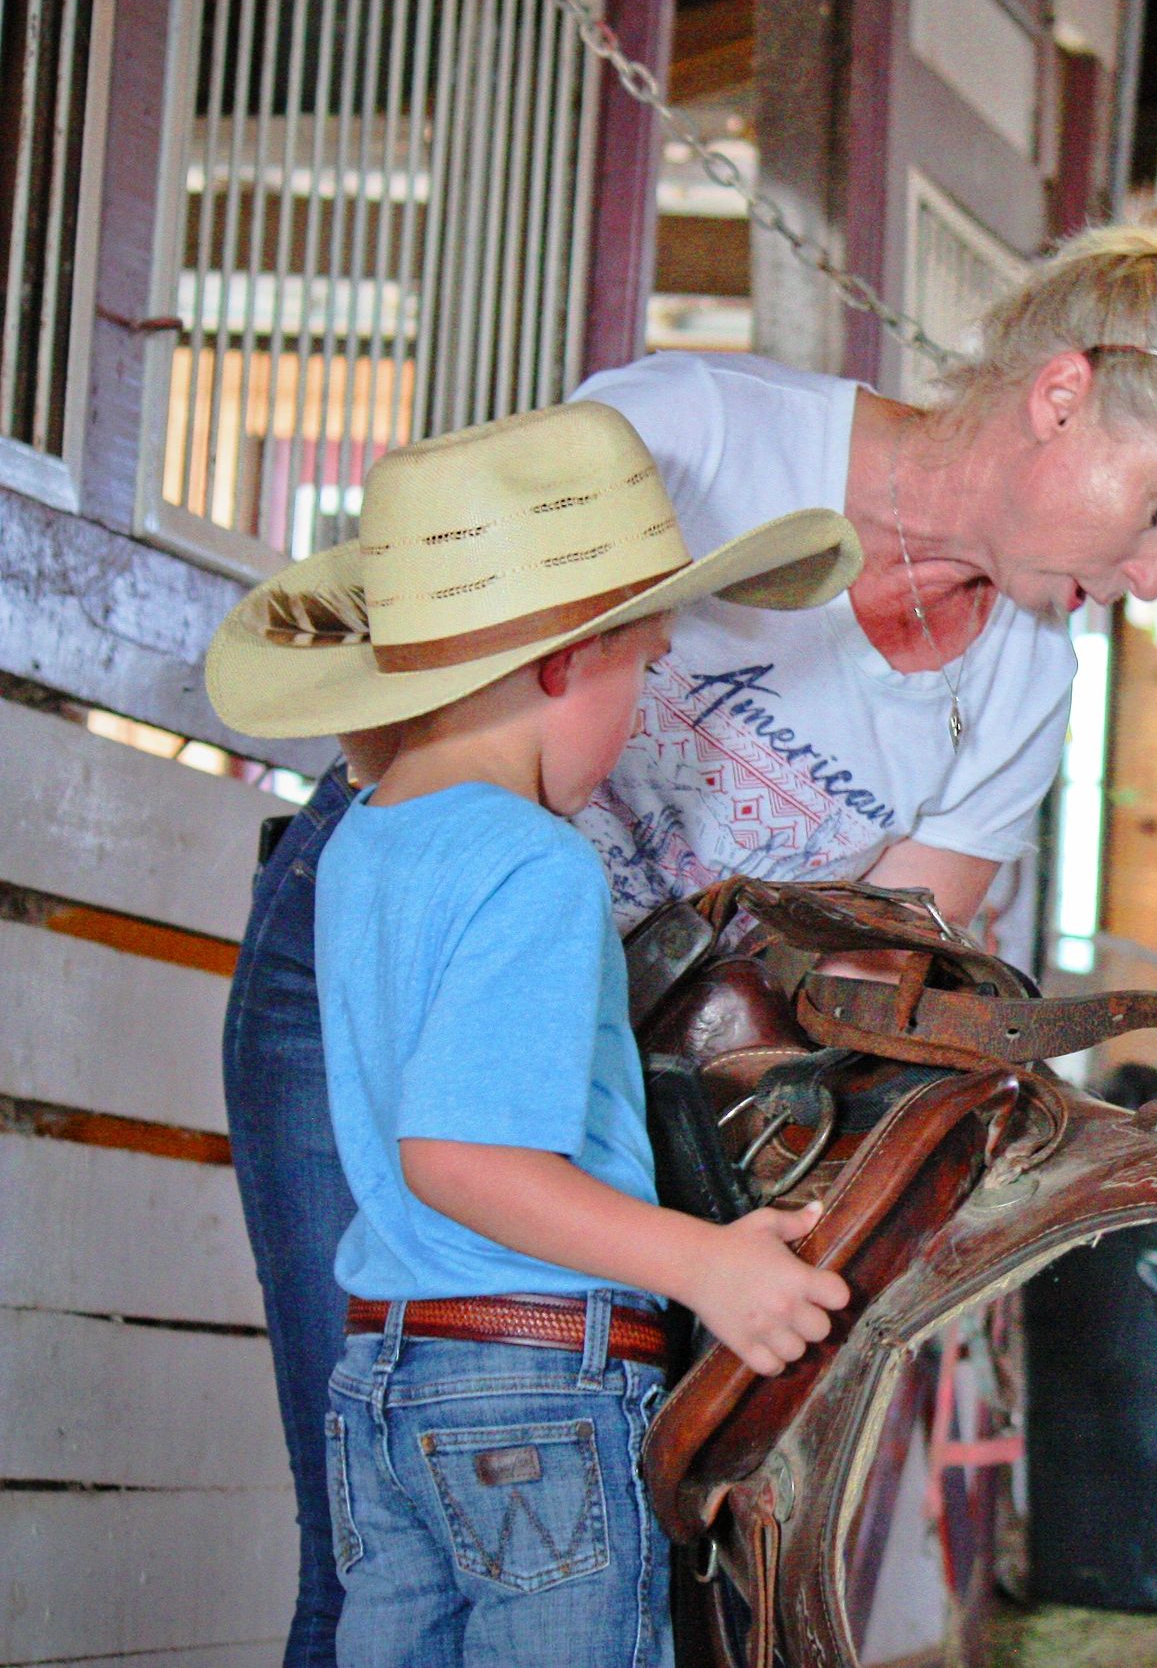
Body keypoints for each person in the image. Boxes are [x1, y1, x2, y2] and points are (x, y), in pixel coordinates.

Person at [220, 206, 1157, 1660]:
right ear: (1062, 399)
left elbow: (867, 984)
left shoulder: (1025, 686)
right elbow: (444, 632)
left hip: (629, 1069)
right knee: (378, 1536)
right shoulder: (704, 435)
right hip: (404, 975)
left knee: (574, 1531)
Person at [205, 401, 861, 1660]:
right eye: (646, 670)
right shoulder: (536, 865)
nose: (644, 711)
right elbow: (462, 1161)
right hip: (533, 1386)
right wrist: (704, 1263)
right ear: (570, 664)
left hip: (382, 1379)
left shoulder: (365, 846)